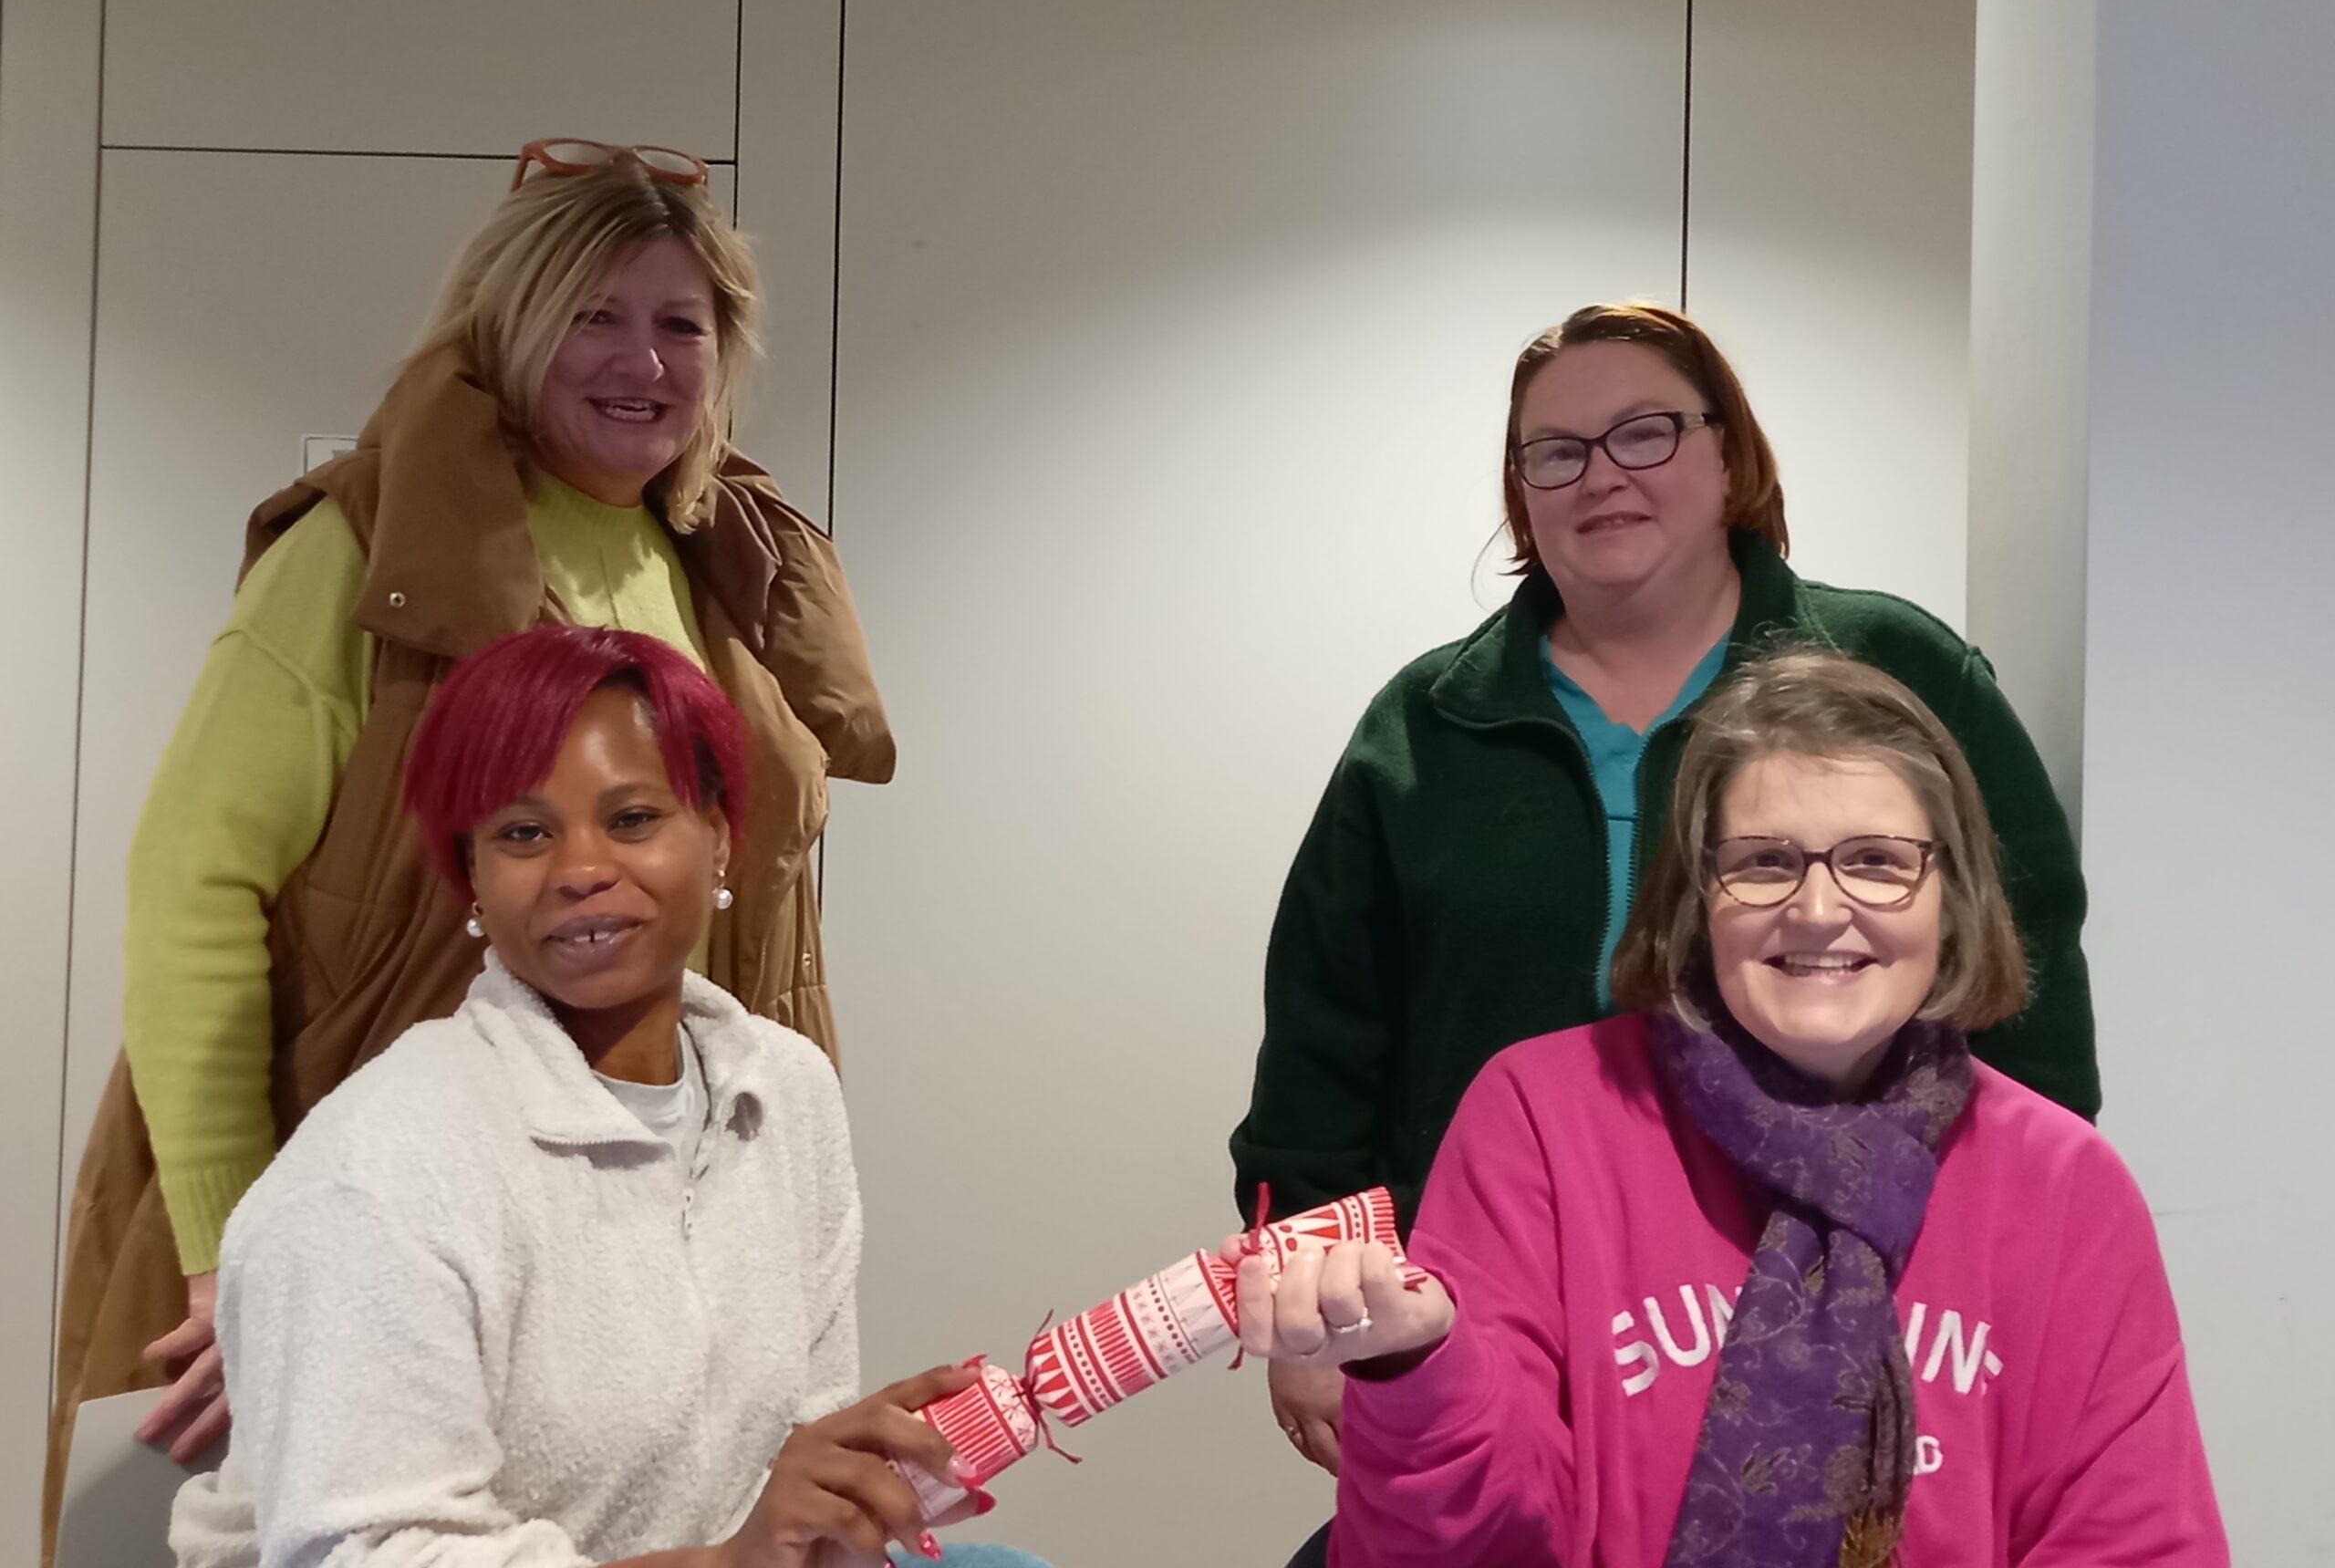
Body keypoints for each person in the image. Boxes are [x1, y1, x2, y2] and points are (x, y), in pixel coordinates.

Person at [48, 140, 895, 1557]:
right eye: (592, 316)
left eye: (681, 325)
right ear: (507, 327)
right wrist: (230, 1247)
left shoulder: (713, 558)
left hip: (627, 1203)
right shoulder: (365, 549)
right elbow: (193, 883)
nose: (643, 360)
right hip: (386, 1188)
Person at [1229, 301, 2099, 1481]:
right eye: (1557, 451)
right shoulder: (1424, 729)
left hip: (1847, 1275)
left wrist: (2028, 1253)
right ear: (1520, 490)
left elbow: (2023, 977)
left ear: (1728, 453)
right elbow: (1323, 1050)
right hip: (1489, 1292)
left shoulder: (1894, 668)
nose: (1601, 476)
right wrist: (1310, 1305)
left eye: (1646, 432)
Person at [1227, 652, 2226, 1567]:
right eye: (1762, 862)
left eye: (1877, 860)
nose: (1820, 909)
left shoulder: (2061, 1184)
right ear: (1695, 898)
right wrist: (1416, 1365)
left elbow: (2134, 1544)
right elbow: (1455, 1546)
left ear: (1951, 898)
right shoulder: (1541, 1117)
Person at [171, 626, 1043, 1568]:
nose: (582, 868)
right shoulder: (378, 1168)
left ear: (718, 838)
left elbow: (793, 1442)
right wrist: (725, 1562)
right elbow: (364, 1553)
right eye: (524, 832)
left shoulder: (785, 1095)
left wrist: (846, 1495)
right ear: (470, 873)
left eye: (631, 819)